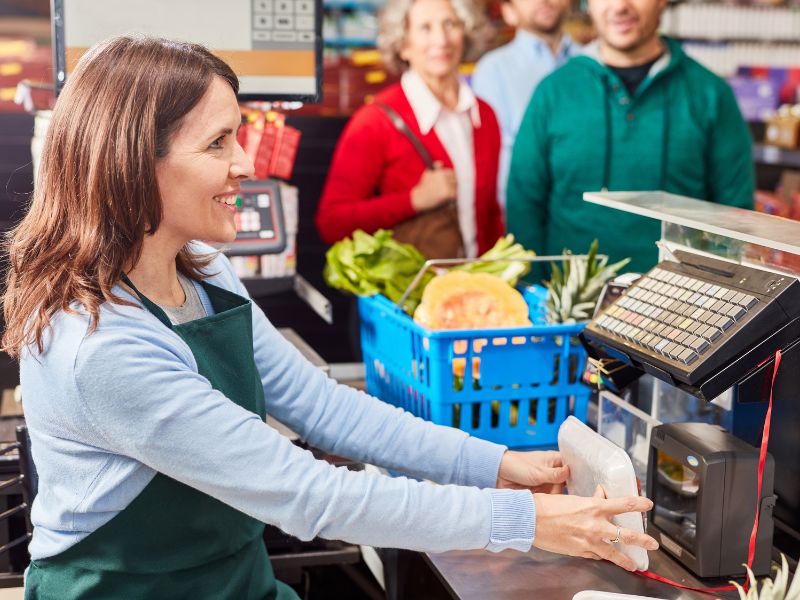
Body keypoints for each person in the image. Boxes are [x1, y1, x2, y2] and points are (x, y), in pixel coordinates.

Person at [2, 36, 657, 599]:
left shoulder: (199, 265)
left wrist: (493, 461)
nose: (246, 165)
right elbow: (308, 493)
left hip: (235, 581)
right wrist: (527, 521)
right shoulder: (102, 346)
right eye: (218, 143)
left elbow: (319, 405)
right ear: (133, 163)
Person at [507, 0, 754, 277]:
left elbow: (735, 217)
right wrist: (532, 291)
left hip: (680, 308)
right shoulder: (553, 93)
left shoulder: (710, 94)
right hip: (568, 306)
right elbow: (523, 205)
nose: (620, 6)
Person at [316, 0, 504, 259]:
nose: (441, 39)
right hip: (404, 293)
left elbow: (489, 214)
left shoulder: (484, 115)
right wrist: (414, 200)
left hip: (473, 289)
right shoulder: (373, 122)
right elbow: (332, 222)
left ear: (466, 33)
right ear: (403, 45)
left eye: (450, 24)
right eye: (425, 28)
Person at [471, 0, 579, 210]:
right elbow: (493, 159)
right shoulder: (493, 70)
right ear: (508, 12)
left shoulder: (593, 60)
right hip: (523, 210)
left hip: (586, 210)